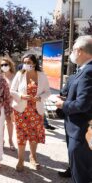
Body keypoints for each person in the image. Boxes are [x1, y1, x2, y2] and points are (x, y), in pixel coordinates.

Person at [55, 35, 92, 183]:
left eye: (73, 49)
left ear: (80, 51)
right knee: (80, 167)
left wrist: (62, 105)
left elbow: (83, 104)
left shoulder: (88, 71)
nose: (71, 53)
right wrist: (65, 100)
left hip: (81, 130)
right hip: (75, 127)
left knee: (81, 173)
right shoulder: (84, 70)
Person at [10, 54, 51, 172]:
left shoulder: (42, 76)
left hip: (36, 111)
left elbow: (47, 92)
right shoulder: (19, 74)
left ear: (34, 63)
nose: (26, 64)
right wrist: (21, 96)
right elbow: (12, 91)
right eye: (24, 62)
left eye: (28, 62)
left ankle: (33, 157)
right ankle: (21, 159)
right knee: (21, 135)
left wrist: (41, 97)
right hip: (21, 111)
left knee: (34, 135)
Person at [0, 57, 16, 151]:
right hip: (1, 103)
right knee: (0, 122)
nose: (4, 66)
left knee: (9, 122)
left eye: (5, 64)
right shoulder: (0, 76)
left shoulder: (15, 76)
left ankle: (10, 140)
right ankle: (1, 140)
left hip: (11, 102)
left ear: (10, 65)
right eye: (2, 65)